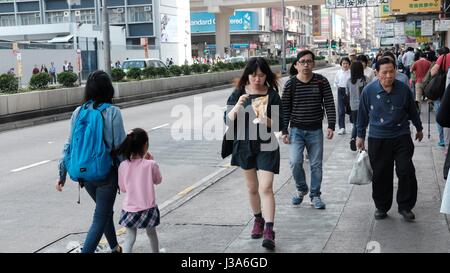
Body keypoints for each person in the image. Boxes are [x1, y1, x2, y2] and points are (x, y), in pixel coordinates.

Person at [56, 70, 127, 253]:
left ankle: (114, 247)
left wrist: (62, 173)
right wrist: (127, 174)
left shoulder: (78, 112)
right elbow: (120, 148)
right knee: (100, 217)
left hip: (84, 175)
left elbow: (69, 145)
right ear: (108, 89)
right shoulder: (113, 113)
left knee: (104, 213)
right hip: (105, 174)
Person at [356, 57, 423, 222]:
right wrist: (360, 135)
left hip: (401, 136)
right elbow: (362, 115)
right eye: (384, 72)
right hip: (378, 139)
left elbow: (412, 110)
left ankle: (405, 206)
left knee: (406, 170)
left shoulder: (403, 89)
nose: (388, 76)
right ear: (377, 73)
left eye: (391, 72)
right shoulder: (369, 91)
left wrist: (419, 128)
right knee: (381, 174)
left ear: (396, 71)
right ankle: (381, 206)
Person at [225, 57, 282, 250]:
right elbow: (228, 121)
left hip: (267, 145)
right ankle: (258, 219)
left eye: (261, 75)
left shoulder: (272, 95)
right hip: (244, 145)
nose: (257, 79)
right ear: (247, 75)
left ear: (266, 75)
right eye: (253, 75)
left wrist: (264, 118)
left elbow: (279, 125)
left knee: (265, 188)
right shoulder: (238, 94)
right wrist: (238, 105)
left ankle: (269, 229)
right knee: (252, 188)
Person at [281, 50, 336, 209]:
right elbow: (285, 108)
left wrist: (331, 125)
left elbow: (329, 104)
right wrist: (284, 130)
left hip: (315, 131)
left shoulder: (321, 81)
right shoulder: (291, 84)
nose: (306, 64)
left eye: (309, 61)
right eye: (302, 61)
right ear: (296, 64)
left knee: (316, 165)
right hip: (296, 131)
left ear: (313, 63)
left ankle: (315, 195)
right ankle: (301, 188)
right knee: (295, 161)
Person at [117, 128, 162, 253]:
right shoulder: (150, 164)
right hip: (148, 209)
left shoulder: (123, 165)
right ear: (145, 145)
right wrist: (151, 160)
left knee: (130, 237)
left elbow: (123, 188)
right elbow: (158, 180)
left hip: (130, 209)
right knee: (151, 233)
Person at [346, 61, 367, 151]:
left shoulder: (349, 81)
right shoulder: (365, 79)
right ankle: (361, 142)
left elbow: (347, 93)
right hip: (363, 106)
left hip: (353, 106)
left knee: (356, 124)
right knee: (363, 125)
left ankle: (353, 138)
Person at [334, 57, 351, 135]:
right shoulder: (338, 72)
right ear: (341, 64)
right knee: (341, 110)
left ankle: (353, 125)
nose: (345, 65)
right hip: (341, 91)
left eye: (347, 63)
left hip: (350, 92)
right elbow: (336, 82)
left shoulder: (351, 72)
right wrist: (338, 87)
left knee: (350, 109)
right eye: (343, 63)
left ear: (349, 64)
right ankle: (342, 128)